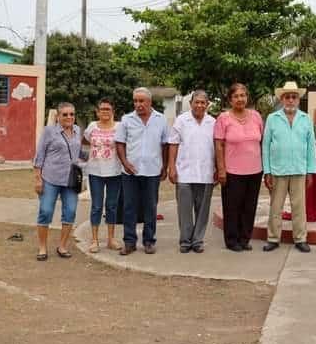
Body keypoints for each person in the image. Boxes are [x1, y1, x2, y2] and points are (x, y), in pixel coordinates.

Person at [261, 81, 316, 253]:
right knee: (276, 206)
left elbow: (311, 146)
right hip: (278, 169)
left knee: (299, 207)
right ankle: (273, 238)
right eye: (287, 97)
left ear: (299, 100)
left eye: (294, 97)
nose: (291, 100)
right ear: (282, 99)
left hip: (299, 169)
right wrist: (267, 171)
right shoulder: (272, 118)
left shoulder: (305, 118)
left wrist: (310, 171)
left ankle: (300, 238)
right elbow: (265, 145)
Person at [115, 87, 169, 256]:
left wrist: (164, 166)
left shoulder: (161, 120)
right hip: (131, 172)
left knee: (150, 207)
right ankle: (129, 242)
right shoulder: (126, 120)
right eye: (135, 101)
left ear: (149, 102)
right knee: (129, 207)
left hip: (152, 170)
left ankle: (149, 241)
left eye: (141, 101)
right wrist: (125, 162)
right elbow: (119, 143)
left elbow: (165, 145)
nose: (138, 105)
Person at [214, 83, 264, 252]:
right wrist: (221, 169)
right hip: (232, 171)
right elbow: (219, 145)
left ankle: (245, 238)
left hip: (255, 170)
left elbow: (262, 141)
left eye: (243, 95)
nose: (240, 99)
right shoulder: (223, 118)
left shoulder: (256, 116)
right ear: (230, 99)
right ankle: (232, 240)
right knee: (232, 207)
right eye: (236, 96)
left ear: (247, 97)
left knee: (249, 207)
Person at [168, 90, 216, 253]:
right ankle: (185, 241)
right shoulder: (181, 121)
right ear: (191, 104)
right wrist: (172, 167)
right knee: (184, 209)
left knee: (203, 210)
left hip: (206, 172)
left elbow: (217, 147)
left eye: (203, 102)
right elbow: (173, 144)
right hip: (184, 173)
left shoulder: (213, 122)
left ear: (207, 104)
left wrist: (217, 168)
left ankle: (198, 240)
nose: (200, 105)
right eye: (197, 102)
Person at [33, 102, 82, 261]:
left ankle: (62, 246)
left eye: (72, 114)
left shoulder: (77, 130)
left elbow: (78, 152)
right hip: (50, 179)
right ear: (58, 116)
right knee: (45, 211)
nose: (69, 117)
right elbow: (39, 155)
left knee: (71, 212)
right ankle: (42, 247)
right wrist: (38, 179)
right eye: (65, 114)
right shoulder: (49, 131)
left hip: (70, 181)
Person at [83, 97, 123, 253]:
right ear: (97, 112)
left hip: (114, 171)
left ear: (113, 111)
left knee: (112, 206)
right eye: (102, 109)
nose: (105, 112)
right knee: (97, 206)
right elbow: (86, 141)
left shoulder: (120, 127)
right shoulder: (92, 126)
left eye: (108, 109)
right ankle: (94, 240)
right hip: (95, 171)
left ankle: (111, 239)